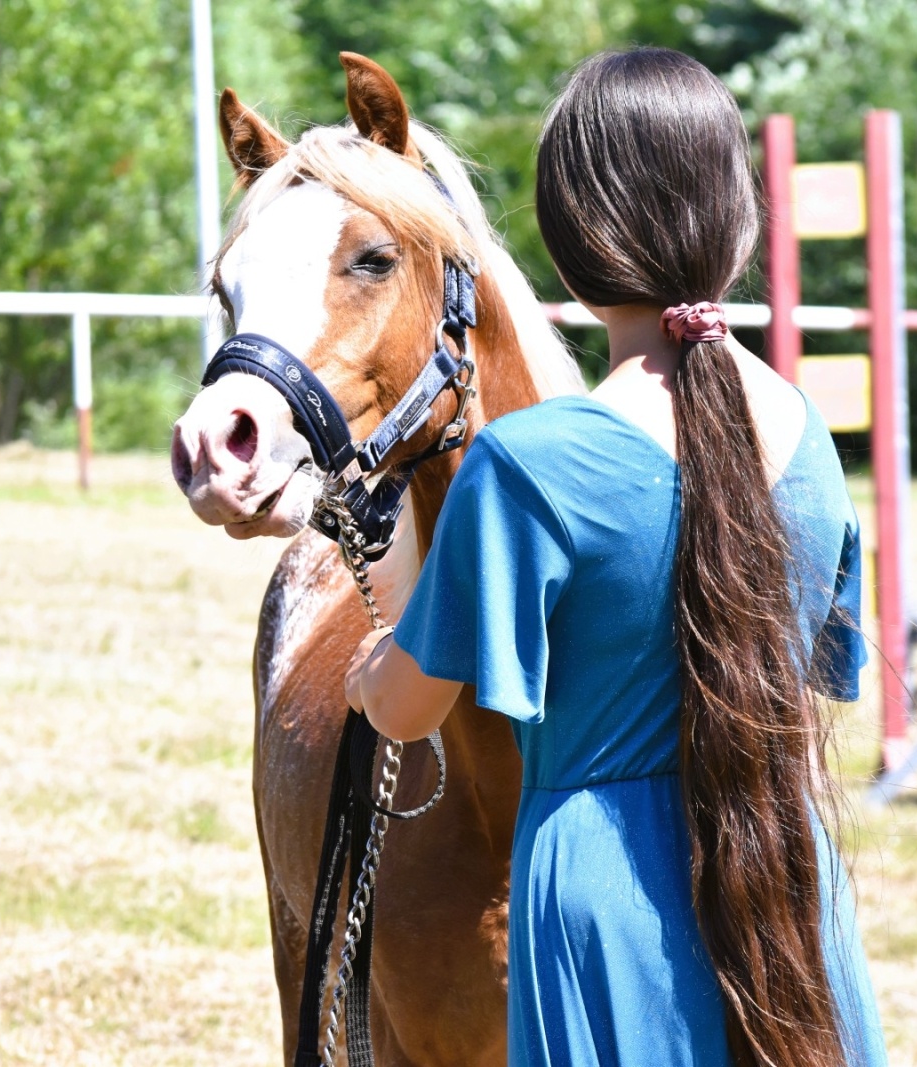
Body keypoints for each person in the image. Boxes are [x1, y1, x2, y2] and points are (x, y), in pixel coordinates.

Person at [343, 48, 888, 1067]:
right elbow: (822, 670)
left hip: (602, 894)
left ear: (568, 239)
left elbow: (408, 705)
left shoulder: (529, 463)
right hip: (786, 869)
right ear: (737, 219)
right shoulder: (805, 433)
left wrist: (379, 635)